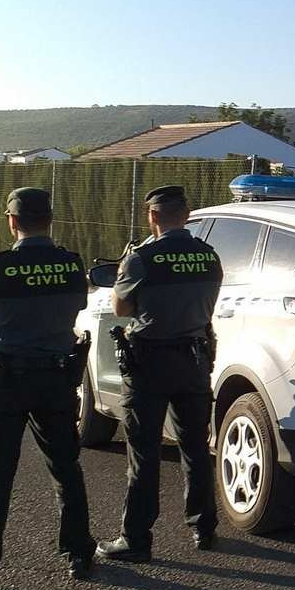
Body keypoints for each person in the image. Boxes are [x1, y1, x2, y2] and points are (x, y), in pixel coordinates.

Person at [0, 187, 95, 590]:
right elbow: (75, 305)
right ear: (50, 219)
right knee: (66, 468)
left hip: (7, 381)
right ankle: (81, 555)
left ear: (12, 221)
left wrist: (11, 311)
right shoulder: (70, 264)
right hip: (58, 378)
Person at [97, 185, 224, 562]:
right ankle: (204, 526)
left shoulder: (142, 258)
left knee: (144, 452)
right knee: (195, 448)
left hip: (149, 363)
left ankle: (135, 539)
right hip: (194, 360)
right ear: (186, 214)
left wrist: (125, 268)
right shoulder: (208, 256)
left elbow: (120, 309)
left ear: (152, 216)